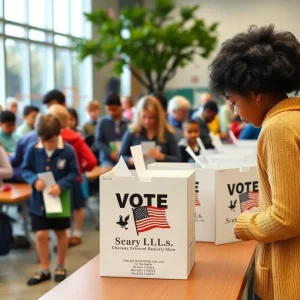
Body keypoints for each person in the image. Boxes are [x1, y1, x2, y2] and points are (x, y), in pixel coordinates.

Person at [209, 24, 300, 300]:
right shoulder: (294, 119)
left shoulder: (278, 128)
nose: (236, 113)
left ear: (256, 92)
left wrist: (244, 224)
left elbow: (287, 218)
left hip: (289, 277)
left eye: (234, 101)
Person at [22, 114, 79, 286]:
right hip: (38, 202)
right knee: (41, 234)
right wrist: (33, 180)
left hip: (59, 201)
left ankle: (60, 266)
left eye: (52, 141)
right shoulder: (33, 149)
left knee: (61, 234)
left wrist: (61, 185)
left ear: (59, 134)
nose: (47, 145)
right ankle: (44, 269)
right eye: (44, 141)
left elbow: (74, 173)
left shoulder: (67, 150)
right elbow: (26, 169)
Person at [48, 105, 97, 247]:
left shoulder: (50, 140)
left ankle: (65, 235)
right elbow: (92, 160)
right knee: (78, 206)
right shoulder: (76, 138)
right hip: (75, 179)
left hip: (56, 181)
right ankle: (77, 234)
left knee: (63, 209)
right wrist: (81, 169)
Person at [119, 95, 181, 167]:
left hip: (161, 174)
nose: (147, 121)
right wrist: (132, 160)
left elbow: (178, 160)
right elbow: (120, 158)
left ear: (157, 117)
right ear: (139, 116)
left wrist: (162, 157)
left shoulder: (167, 133)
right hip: (136, 174)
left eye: (151, 118)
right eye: (144, 117)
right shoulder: (132, 132)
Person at [95, 92, 128, 167]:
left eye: (114, 109)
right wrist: (109, 152)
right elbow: (98, 142)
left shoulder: (127, 123)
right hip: (107, 158)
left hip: (123, 157)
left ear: (120, 107)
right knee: (108, 173)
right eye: (108, 109)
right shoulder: (102, 122)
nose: (111, 112)